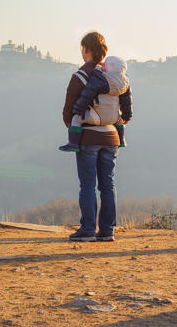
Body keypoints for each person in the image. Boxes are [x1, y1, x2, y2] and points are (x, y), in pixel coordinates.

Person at [62, 32, 133, 242]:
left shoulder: (81, 76)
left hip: (89, 137)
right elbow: (125, 104)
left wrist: (75, 128)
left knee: (87, 185)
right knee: (107, 185)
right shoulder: (116, 77)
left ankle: (87, 230)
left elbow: (69, 110)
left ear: (86, 49)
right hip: (112, 136)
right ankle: (107, 230)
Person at [58, 56, 132, 151]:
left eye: (105, 64)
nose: (102, 65)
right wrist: (127, 116)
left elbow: (87, 96)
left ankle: (73, 144)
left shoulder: (99, 79)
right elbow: (127, 101)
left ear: (110, 67)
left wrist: (78, 110)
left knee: (76, 119)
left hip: (97, 118)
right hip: (113, 118)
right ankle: (121, 140)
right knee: (119, 119)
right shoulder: (125, 82)